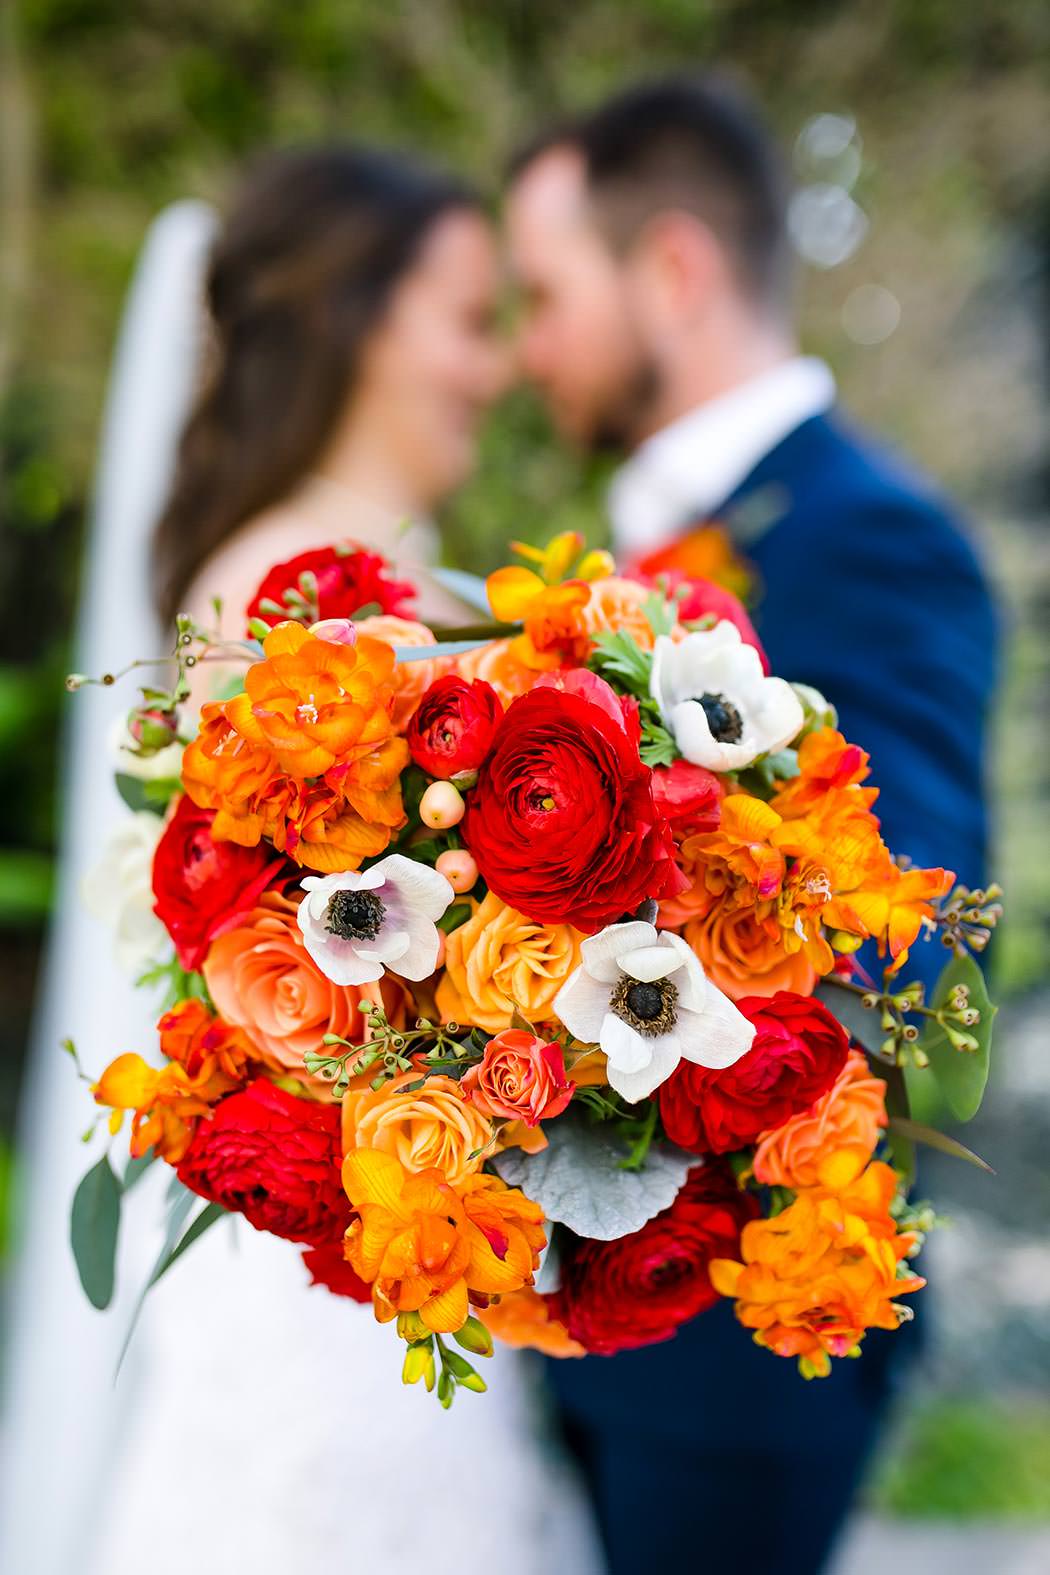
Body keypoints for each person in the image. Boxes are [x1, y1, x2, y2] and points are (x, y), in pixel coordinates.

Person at [4, 147, 602, 1575]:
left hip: (396, 1253)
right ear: (357, 318)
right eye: (468, 318)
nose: (499, 365)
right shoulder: (303, 596)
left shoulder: (363, 570)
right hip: (340, 1282)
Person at [505, 74, 998, 1574]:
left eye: (544, 294)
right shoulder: (617, 557)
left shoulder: (872, 539)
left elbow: (893, 925)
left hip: (736, 1355)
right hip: (587, 1326)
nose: (530, 351)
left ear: (670, 269)